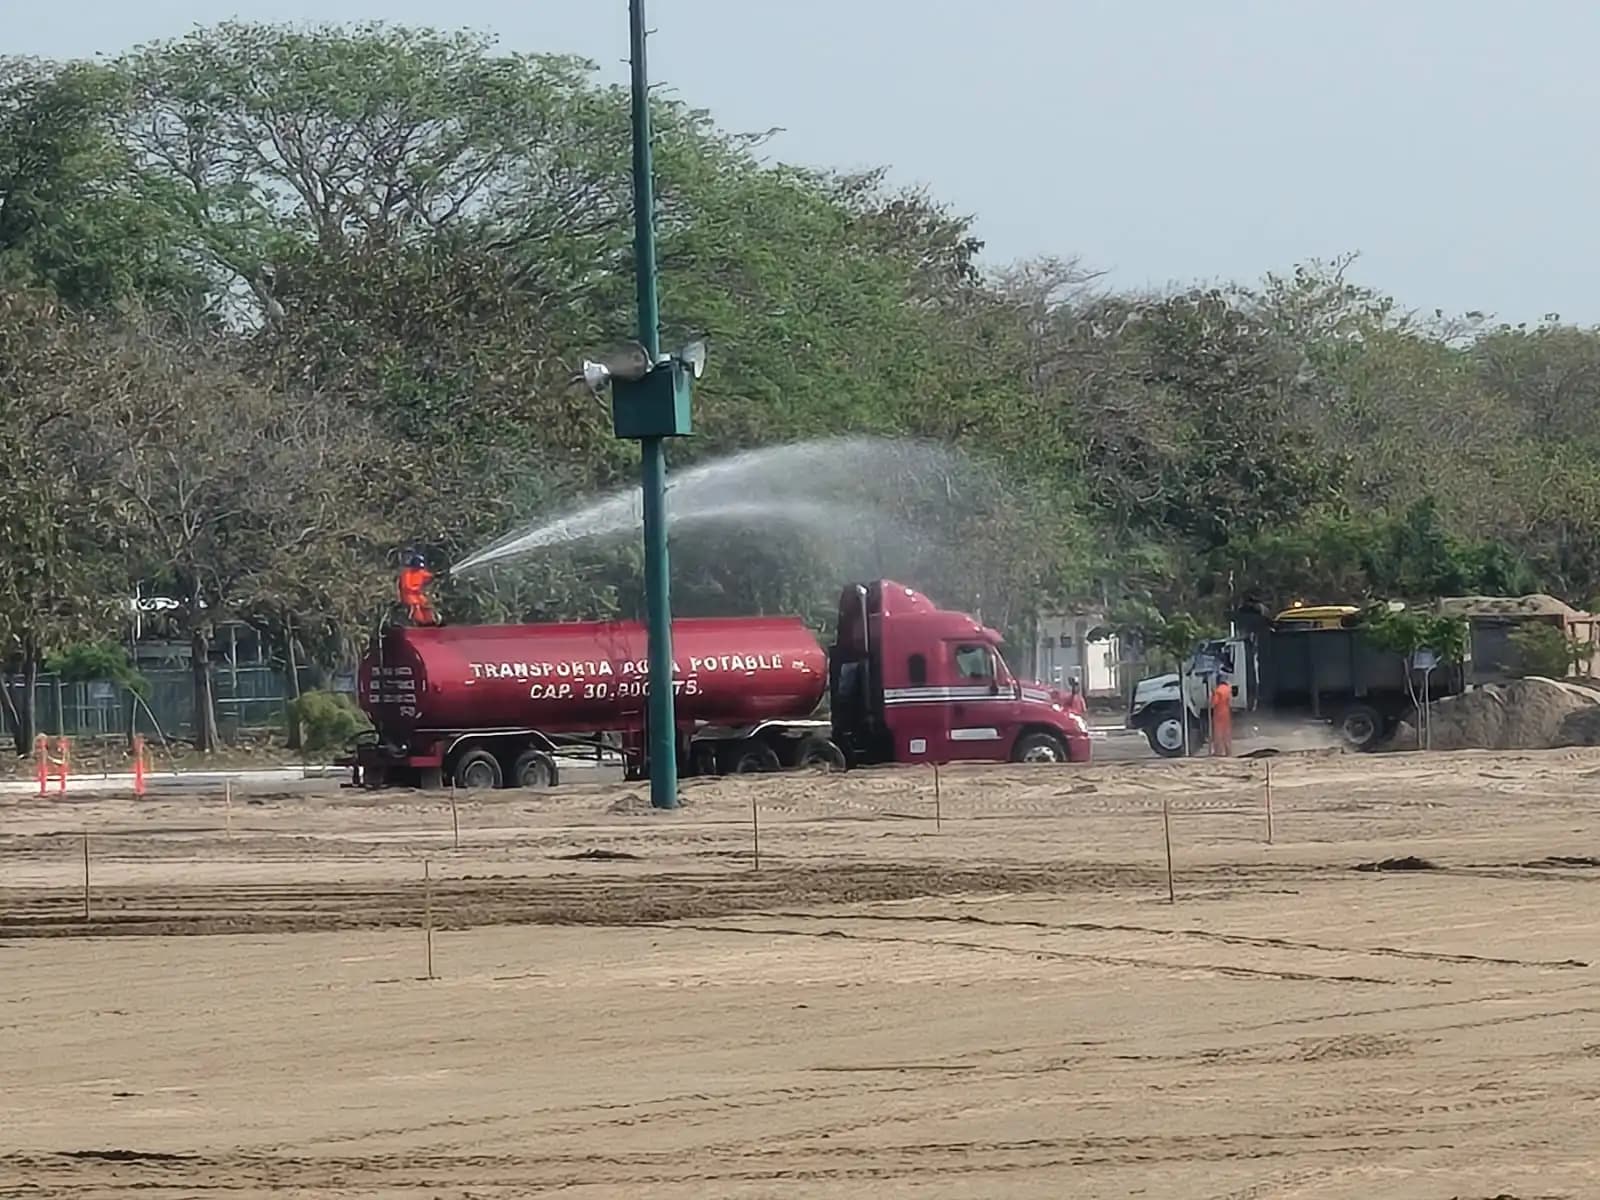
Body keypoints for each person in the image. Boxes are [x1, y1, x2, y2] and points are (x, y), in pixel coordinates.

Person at [398, 552, 440, 626]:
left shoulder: (420, 572)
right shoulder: (407, 573)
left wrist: (436, 576)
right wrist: (416, 589)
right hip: (408, 595)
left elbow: (427, 576)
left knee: (426, 604)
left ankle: (430, 622)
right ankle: (420, 622)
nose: (419, 569)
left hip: (418, 594)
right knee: (416, 606)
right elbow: (406, 587)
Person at [1210, 678, 1233, 757]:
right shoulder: (1228, 689)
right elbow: (1230, 701)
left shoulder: (1218, 691)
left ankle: (1218, 752)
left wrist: (1213, 695)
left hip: (1219, 713)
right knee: (1226, 733)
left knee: (1218, 733)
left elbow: (1214, 703)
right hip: (1226, 712)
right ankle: (1228, 751)